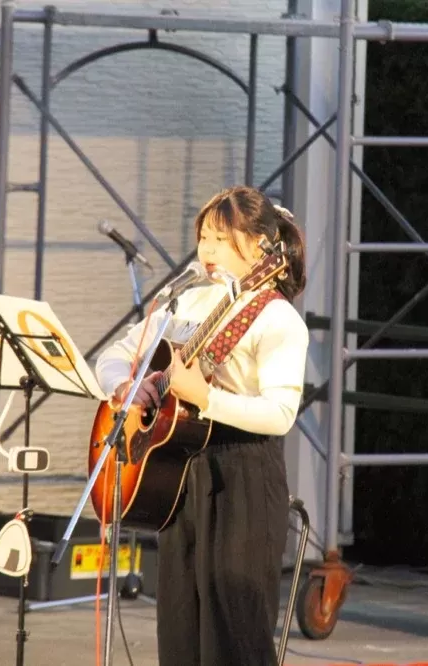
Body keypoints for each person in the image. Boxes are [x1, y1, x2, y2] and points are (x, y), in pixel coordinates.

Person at [95, 185, 310, 666]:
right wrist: (127, 387)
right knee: (180, 631)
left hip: (244, 476)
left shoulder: (278, 318)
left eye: (221, 238)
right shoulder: (188, 304)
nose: (206, 250)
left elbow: (280, 413)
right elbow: (115, 355)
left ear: (260, 246)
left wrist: (207, 398)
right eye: (204, 237)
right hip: (179, 473)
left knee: (235, 634)